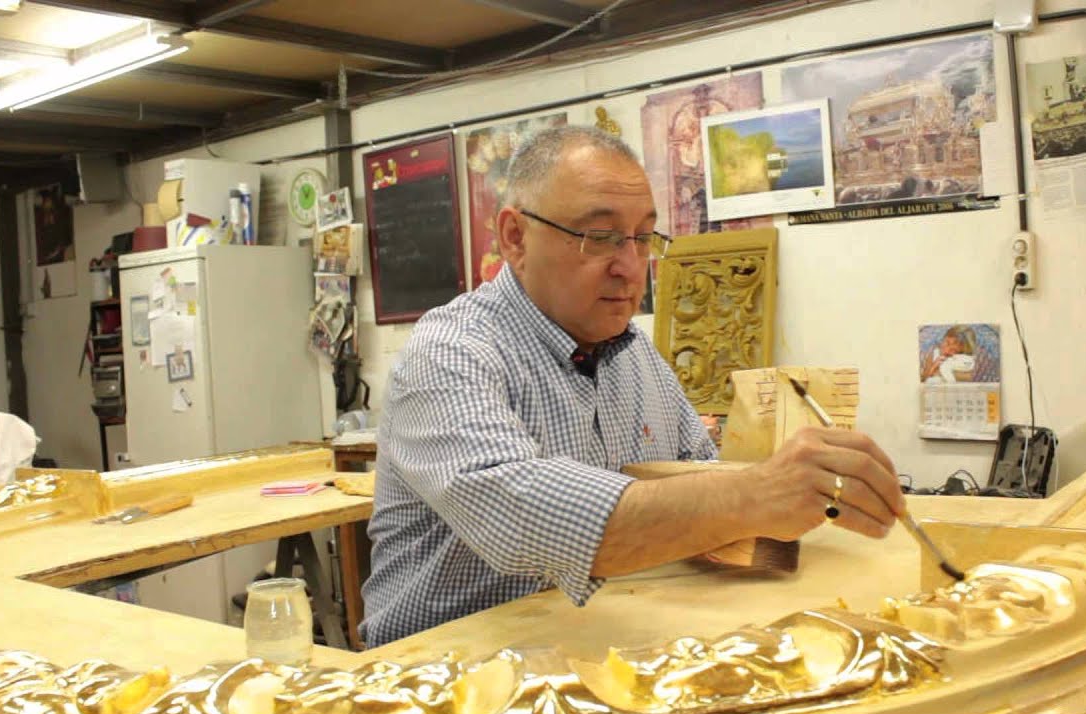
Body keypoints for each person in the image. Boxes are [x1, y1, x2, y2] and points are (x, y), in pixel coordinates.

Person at [363, 126, 905, 647]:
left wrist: (779, 479)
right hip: (446, 669)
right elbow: (518, 515)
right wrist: (757, 492)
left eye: (643, 238)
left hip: (590, 641)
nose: (631, 268)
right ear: (514, 238)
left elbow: (696, 471)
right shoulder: (450, 353)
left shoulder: (634, 352)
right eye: (599, 238)